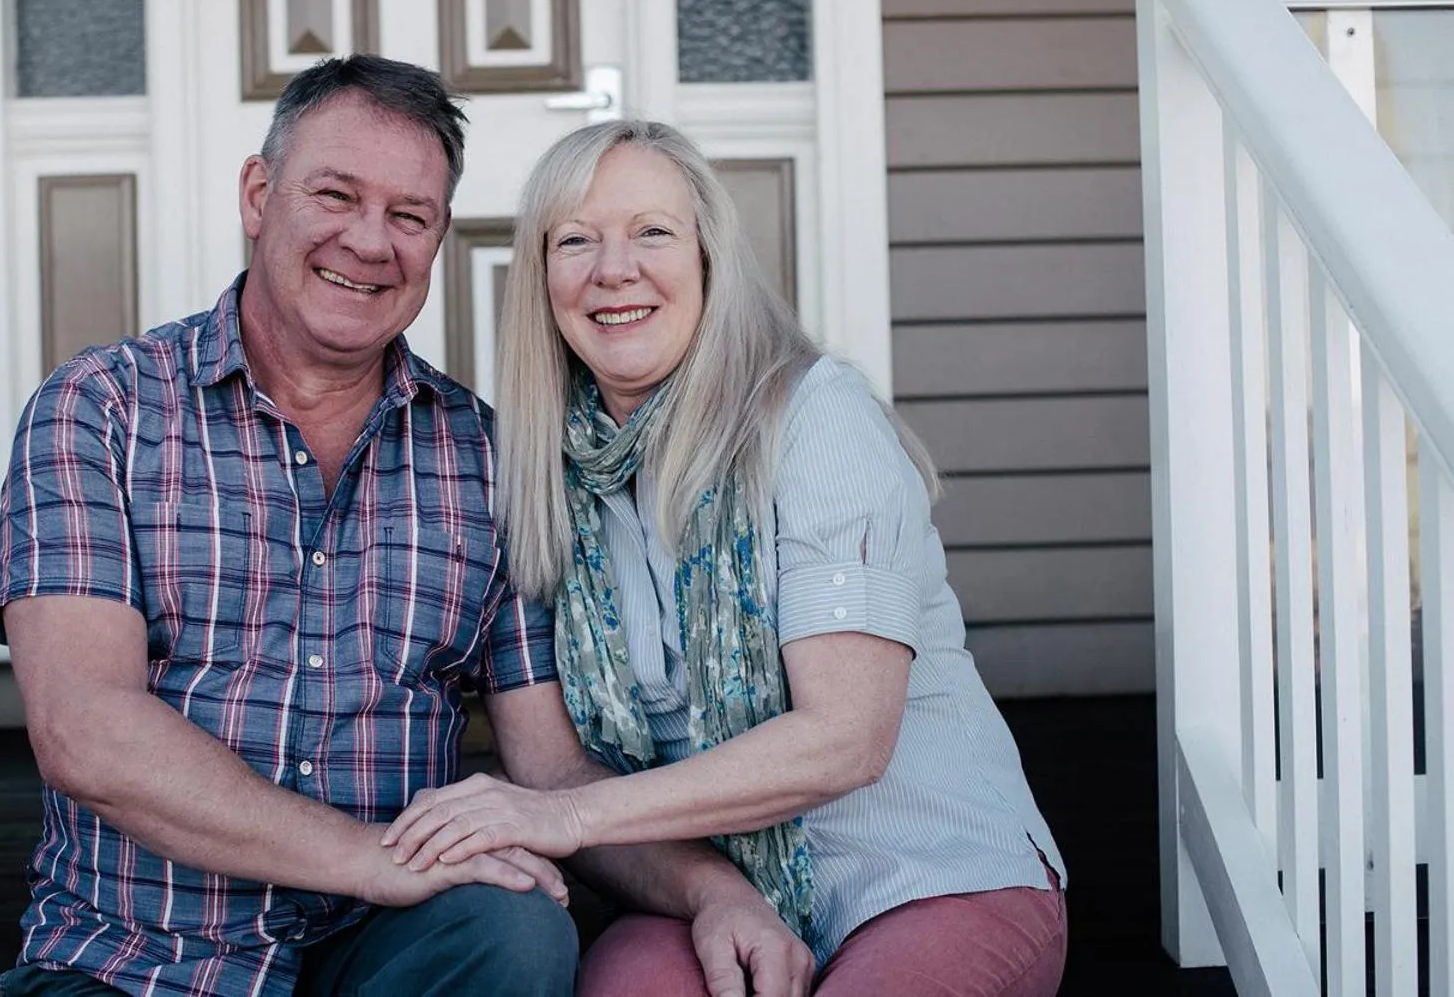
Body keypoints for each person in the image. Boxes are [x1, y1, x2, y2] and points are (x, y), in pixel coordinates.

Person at [0, 58, 812, 997]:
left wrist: (711, 892)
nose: (369, 242)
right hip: (137, 963)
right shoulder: (102, 410)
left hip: (385, 950)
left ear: (439, 237)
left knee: (516, 926)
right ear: (259, 195)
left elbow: (547, 771)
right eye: (335, 195)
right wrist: (368, 855)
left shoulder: (485, 459)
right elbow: (84, 728)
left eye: (409, 216)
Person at [382, 120, 1070, 996]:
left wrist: (562, 815)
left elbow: (843, 740)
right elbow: (553, 765)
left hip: (924, 871)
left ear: (709, 256)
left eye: (652, 232)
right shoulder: (532, 475)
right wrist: (710, 891)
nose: (612, 269)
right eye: (575, 240)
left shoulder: (813, 419)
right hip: (705, 888)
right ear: (542, 277)